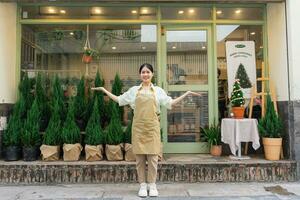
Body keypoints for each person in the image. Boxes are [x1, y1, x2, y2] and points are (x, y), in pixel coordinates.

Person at [92, 63, 201, 197]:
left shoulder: (158, 91)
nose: (145, 74)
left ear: (152, 74)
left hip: (152, 127)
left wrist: (187, 93)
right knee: (139, 159)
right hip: (138, 127)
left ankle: (152, 185)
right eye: (143, 72)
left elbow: (170, 103)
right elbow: (120, 100)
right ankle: (142, 185)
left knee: (153, 158)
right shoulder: (133, 91)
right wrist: (104, 90)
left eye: (148, 72)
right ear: (140, 74)